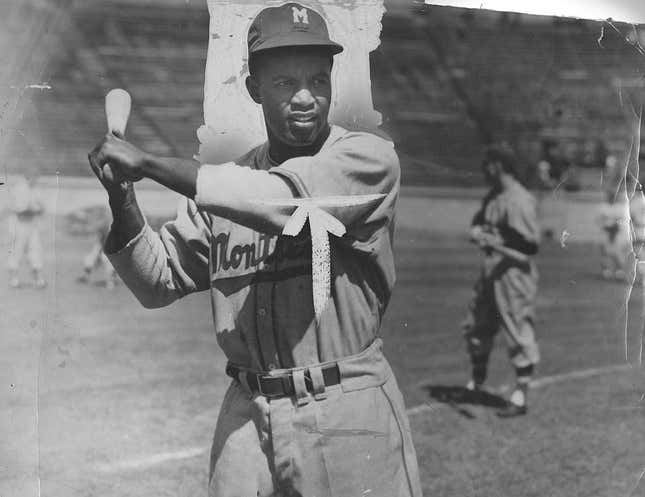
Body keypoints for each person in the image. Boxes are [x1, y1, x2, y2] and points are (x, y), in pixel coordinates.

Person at [87, 3, 422, 496]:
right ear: (254, 90)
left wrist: (149, 163)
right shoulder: (231, 184)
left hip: (343, 402)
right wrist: (122, 196)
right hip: (248, 410)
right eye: (286, 83)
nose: (306, 97)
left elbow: (284, 201)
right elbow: (157, 282)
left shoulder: (366, 159)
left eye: (318, 79)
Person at [463, 143, 540, 417]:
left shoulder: (519, 200)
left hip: (513, 274)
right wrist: (478, 231)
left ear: (497, 165)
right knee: (477, 325)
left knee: (517, 329)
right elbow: (480, 219)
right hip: (491, 270)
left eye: (487, 164)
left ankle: (520, 396)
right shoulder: (495, 195)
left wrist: (494, 243)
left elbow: (529, 248)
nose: (484, 170)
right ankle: (477, 382)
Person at [6, 172, 47, 289]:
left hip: (32, 225)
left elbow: (42, 209)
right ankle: (14, 279)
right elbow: (20, 211)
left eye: (36, 178)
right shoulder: (19, 189)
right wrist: (33, 209)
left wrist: (36, 209)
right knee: (16, 251)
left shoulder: (36, 189)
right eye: (33, 177)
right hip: (19, 225)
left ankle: (38, 279)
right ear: (26, 177)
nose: (35, 180)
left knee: (36, 250)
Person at [77, 208, 117, 289]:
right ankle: (86, 276)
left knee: (107, 262)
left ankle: (110, 281)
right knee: (90, 258)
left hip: (113, 252)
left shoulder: (115, 227)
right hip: (103, 249)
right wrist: (97, 252)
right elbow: (99, 242)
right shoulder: (103, 228)